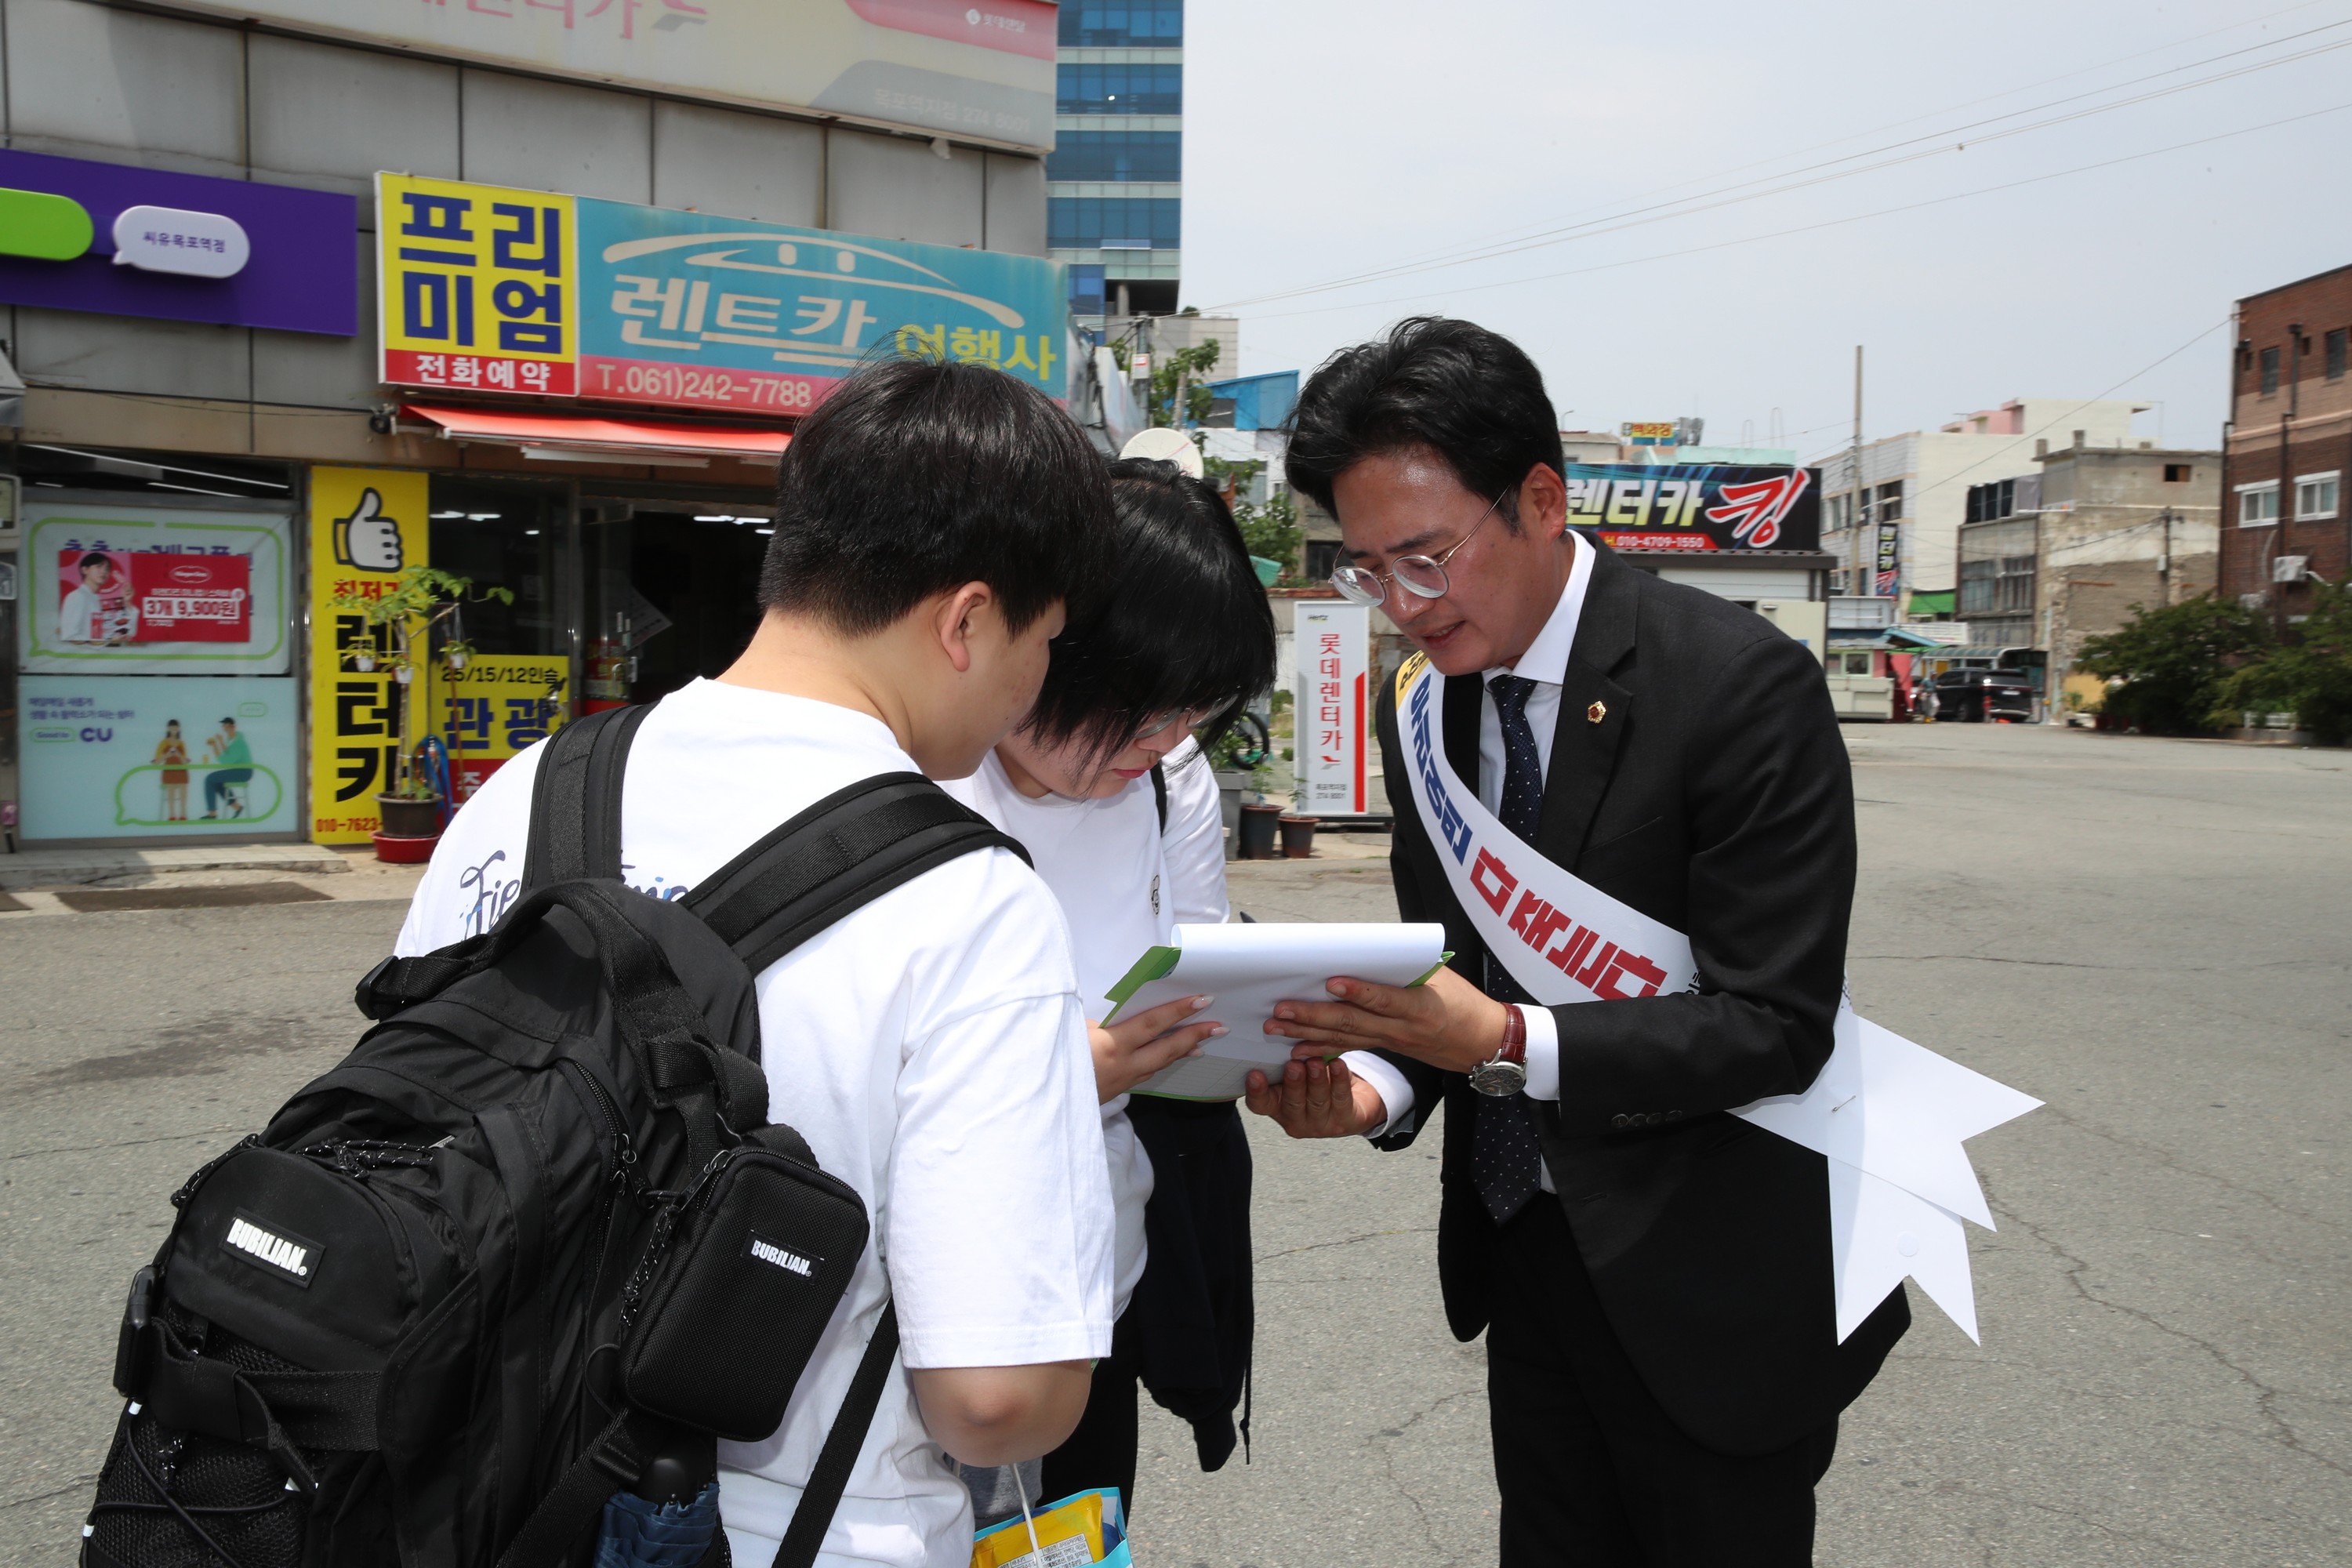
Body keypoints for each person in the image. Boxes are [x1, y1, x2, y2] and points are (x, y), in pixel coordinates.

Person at [395, 359, 1122, 1568]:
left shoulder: (532, 788)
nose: (1031, 685)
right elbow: (991, 1396)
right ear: (966, 620)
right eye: (1043, 641)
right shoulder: (969, 896)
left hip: (475, 1502)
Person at [1245, 318, 1909, 1566]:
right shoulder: (1427, 708)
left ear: (1541, 500)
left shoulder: (1735, 684)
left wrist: (1497, 1038)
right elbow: (1446, 963)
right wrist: (1377, 1084)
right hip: (1529, 1253)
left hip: (1710, 1274)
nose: (1401, 606)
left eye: (1426, 560)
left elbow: (1773, 1022)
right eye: (1368, 570)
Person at [938, 457, 1276, 1522]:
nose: (1161, 744)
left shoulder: (1171, 777)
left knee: (1079, 1524)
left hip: (1099, 1275)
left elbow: (1199, 950)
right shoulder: (921, 773)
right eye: (1136, 712)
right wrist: (1046, 1077)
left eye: (1193, 714)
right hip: (938, 1294)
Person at [59, 551, 129, 644]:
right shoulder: (77, 596)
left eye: (107, 569)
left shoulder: (95, 598)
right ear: (85, 570)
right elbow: (70, 636)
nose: (104, 571)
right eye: (99, 566)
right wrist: (106, 640)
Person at [201, 717, 254, 818]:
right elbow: (228, 752)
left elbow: (226, 761)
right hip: (240, 770)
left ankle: (212, 813)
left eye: (226, 726)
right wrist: (220, 742)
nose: (225, 728)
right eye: (224, 726)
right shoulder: (233, 741)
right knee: (217, 781)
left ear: (233, 727)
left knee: (209, 779)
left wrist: (214, 747)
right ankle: (237, 807)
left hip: (243, 772)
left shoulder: (239, 743)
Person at [153, 720, 191, 822]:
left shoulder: (182, 743)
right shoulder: (163, 743)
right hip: (169, 771)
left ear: (179, 729)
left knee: (183, 788)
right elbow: (156, 762)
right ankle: (172, 814)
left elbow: (185, 761)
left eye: (176, 727)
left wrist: (178, 754)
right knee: (171, 790)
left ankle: (183, 812)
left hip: (181, 771)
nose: (174, 730)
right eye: (172, 727)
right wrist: (166, 755)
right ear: (168, 729)